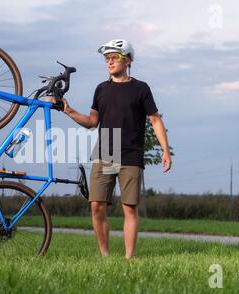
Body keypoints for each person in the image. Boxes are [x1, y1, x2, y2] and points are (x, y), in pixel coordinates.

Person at [49, 39, 172, 259]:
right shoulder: (101, 89)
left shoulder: (141, 88)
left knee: (129, 208)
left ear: (127, 60)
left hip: (131, 155)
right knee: (96, 205)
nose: (109, 62)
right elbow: (91, 121)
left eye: (114, 57)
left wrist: (165, 150)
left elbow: (154, 119)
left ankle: (128, 259)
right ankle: (105, 257)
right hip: (106, 153)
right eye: (107, 58)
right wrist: (69, 111)